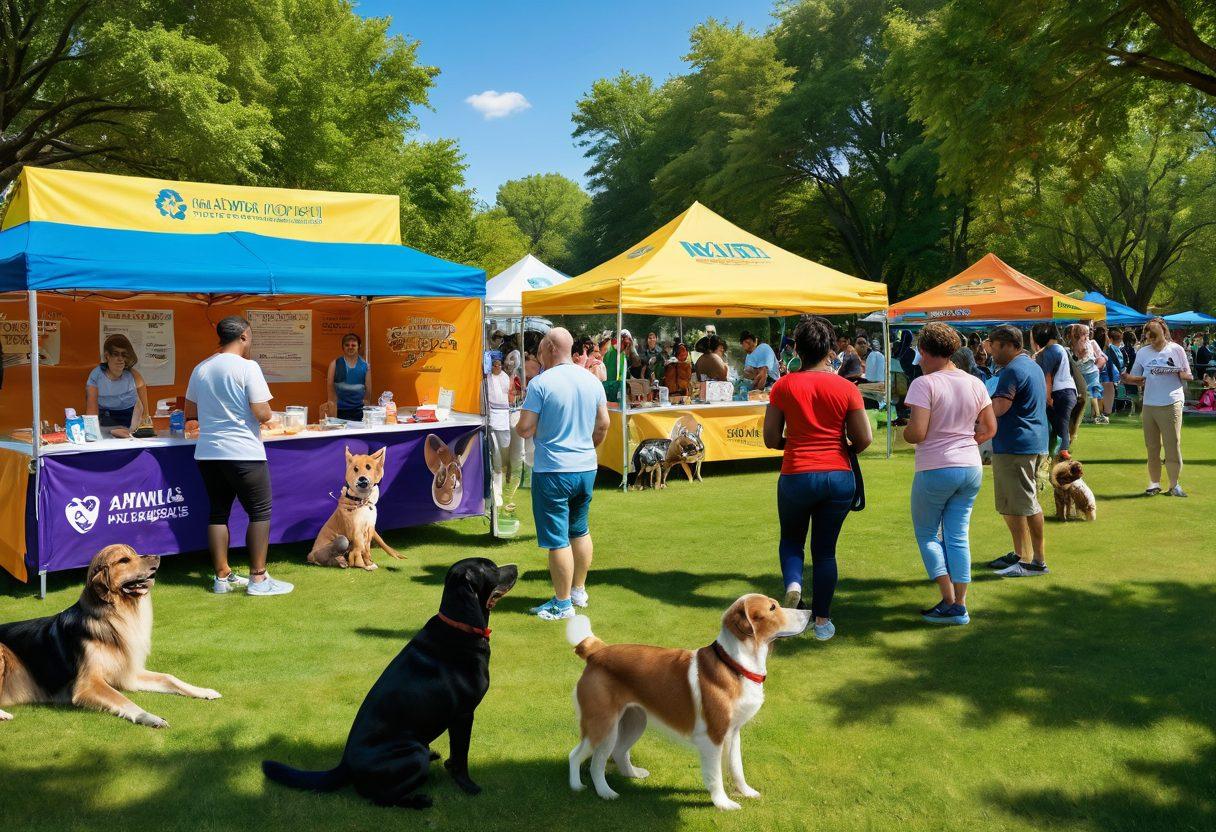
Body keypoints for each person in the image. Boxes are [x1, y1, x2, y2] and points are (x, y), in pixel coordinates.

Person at [763, 316, 872, 641]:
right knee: (825, 552)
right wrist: (839, 445)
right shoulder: (846, 387)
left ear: (797, 348)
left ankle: (794, 586)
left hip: (797, 472)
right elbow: (863, 438)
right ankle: (823, 621)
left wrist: (796, 442)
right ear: (830, 349)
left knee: (792, 540)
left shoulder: (783, 386)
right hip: (837, 474)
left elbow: (770, 438)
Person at [184, 316, 292, 596]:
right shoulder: (248, 367)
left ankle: (222, 577)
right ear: (243, 336)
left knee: (218, 512)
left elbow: (190, 413)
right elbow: (262, 413)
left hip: (208, 452)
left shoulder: (201, 368)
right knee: (260, 511)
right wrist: (268, 415)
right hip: (243, 450)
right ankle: (258, 579)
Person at [903, 323, 996, 625]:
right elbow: (989, 428)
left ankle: (950, 601)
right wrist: (966, 443)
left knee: (928, 534)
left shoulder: (924, 384)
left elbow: (916, 433)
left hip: (936, 467)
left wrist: (904, 431)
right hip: (970, 466)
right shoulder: (975, 382)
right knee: (957, 536)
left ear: (926, 351)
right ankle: (960, 603)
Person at [515, 327, 610, 620]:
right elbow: (603, 424)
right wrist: (586, 447)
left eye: (542, 347)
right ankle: (578, 591)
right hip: (585, 467)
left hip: (554, 469)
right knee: (579, 529)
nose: (539, 353)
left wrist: (534, 429)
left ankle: (563, 602)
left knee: (558, 538)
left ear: (552, 348)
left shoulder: (541, 383)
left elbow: (524, 427)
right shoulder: (591, 380)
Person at [983, 324, 1050, 578]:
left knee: (1026, 503)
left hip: (1017, 445)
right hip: (1025, 442)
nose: (992, 351)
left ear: (1012, 345)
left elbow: (999, 406)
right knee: (1012, 505)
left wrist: (973, 412)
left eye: (996, 346)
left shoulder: (1012, 370)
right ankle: (1021, 555)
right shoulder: (1031, 366)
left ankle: (1037, 562)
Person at [1122, 317, 1192, 497]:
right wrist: (1127, 378)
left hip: (1171, 401)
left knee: (1172, 444)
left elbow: (1187, 374)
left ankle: (1174, 485)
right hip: (1149, 403)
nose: (1150, 338)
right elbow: (1138, 378)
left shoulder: (1176, 349)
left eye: (1153, 334)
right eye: (1147, 334)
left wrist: (1178, 372)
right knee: (1152, 446)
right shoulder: (1143, 352)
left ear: (1163, 331)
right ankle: (1154, 483)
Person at [1031, 323, 1077, 457]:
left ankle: (1063, 451)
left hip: (1060, 392)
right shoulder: (1061, 349)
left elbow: (1047, 377)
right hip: (1069, 391)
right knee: (1061, 423)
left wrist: (1048, 397)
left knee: (1061, 424)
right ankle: (1062, 449)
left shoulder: (1051, 350)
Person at [86, 334, 149, 430]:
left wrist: (142, 424)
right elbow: (91, 411)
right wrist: (92, 432)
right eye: (116, 354)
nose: (120, 359)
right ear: (107, 356)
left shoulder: (134, 375)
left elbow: (144, 410)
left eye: (123, 355)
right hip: (105, 421)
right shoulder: (96, 376)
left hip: (131, 421)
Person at [487, 353, 524, 512]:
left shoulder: (504, 377)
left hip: (504, 417)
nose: (498, 367)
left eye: (499, 365)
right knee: (495, 453)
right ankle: (496, 486)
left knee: (505, 450)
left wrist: (514, 393)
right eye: (495, 365)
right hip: (492, 418)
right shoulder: (487, 378)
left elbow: (510, 397)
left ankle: (506, 479)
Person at [326, 332, 371, 422]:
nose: (350, 347)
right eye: (347, 345)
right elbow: (330, 390)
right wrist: (332, 414)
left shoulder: (365, 366)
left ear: (359, 346)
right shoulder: (335, 364)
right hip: (339, 411)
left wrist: (365, 412)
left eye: (353, 345)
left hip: (359, 411)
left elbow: (368, 392)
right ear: (343, 347)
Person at [1069, 323, 1106, 424]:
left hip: (1086, 373)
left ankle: (1094, 415)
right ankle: (1095, 415)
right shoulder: (1077, 345)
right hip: (1086, 373)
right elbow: (1102, 357)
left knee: (1089, 394)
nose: (1088, 334)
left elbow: (1102, 357)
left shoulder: (1082, 344)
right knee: (1091, 393)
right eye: (1086, 333)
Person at [603, 329, 641, 402]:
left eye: (630, 340)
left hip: (619, 390)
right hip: (609, 391)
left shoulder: (623, 354)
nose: (629, 342)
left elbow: (636, 363)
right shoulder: (610, 352)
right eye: (628, 340)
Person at [1096, 326, 1123, 418]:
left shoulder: (1108, 348)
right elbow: (1119, 362)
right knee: (1107, 392)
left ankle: (1101, 413)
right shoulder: (1111, 348)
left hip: (1107, 374)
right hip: (1109, 374)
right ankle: (1105, 412)